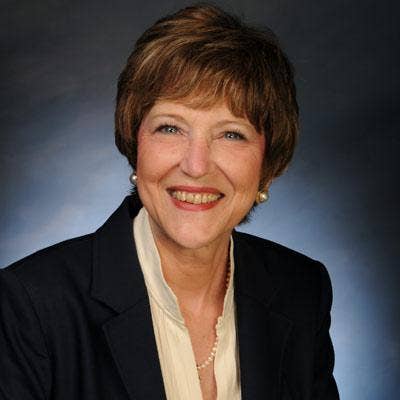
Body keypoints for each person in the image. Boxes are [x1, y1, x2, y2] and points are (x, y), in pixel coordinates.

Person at [0, 3, 339, 400]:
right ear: (135, 142)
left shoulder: (302, 289)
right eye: (170, 128)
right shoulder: (32, 303)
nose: (196, 166)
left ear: (267, 164)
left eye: (231, 134)